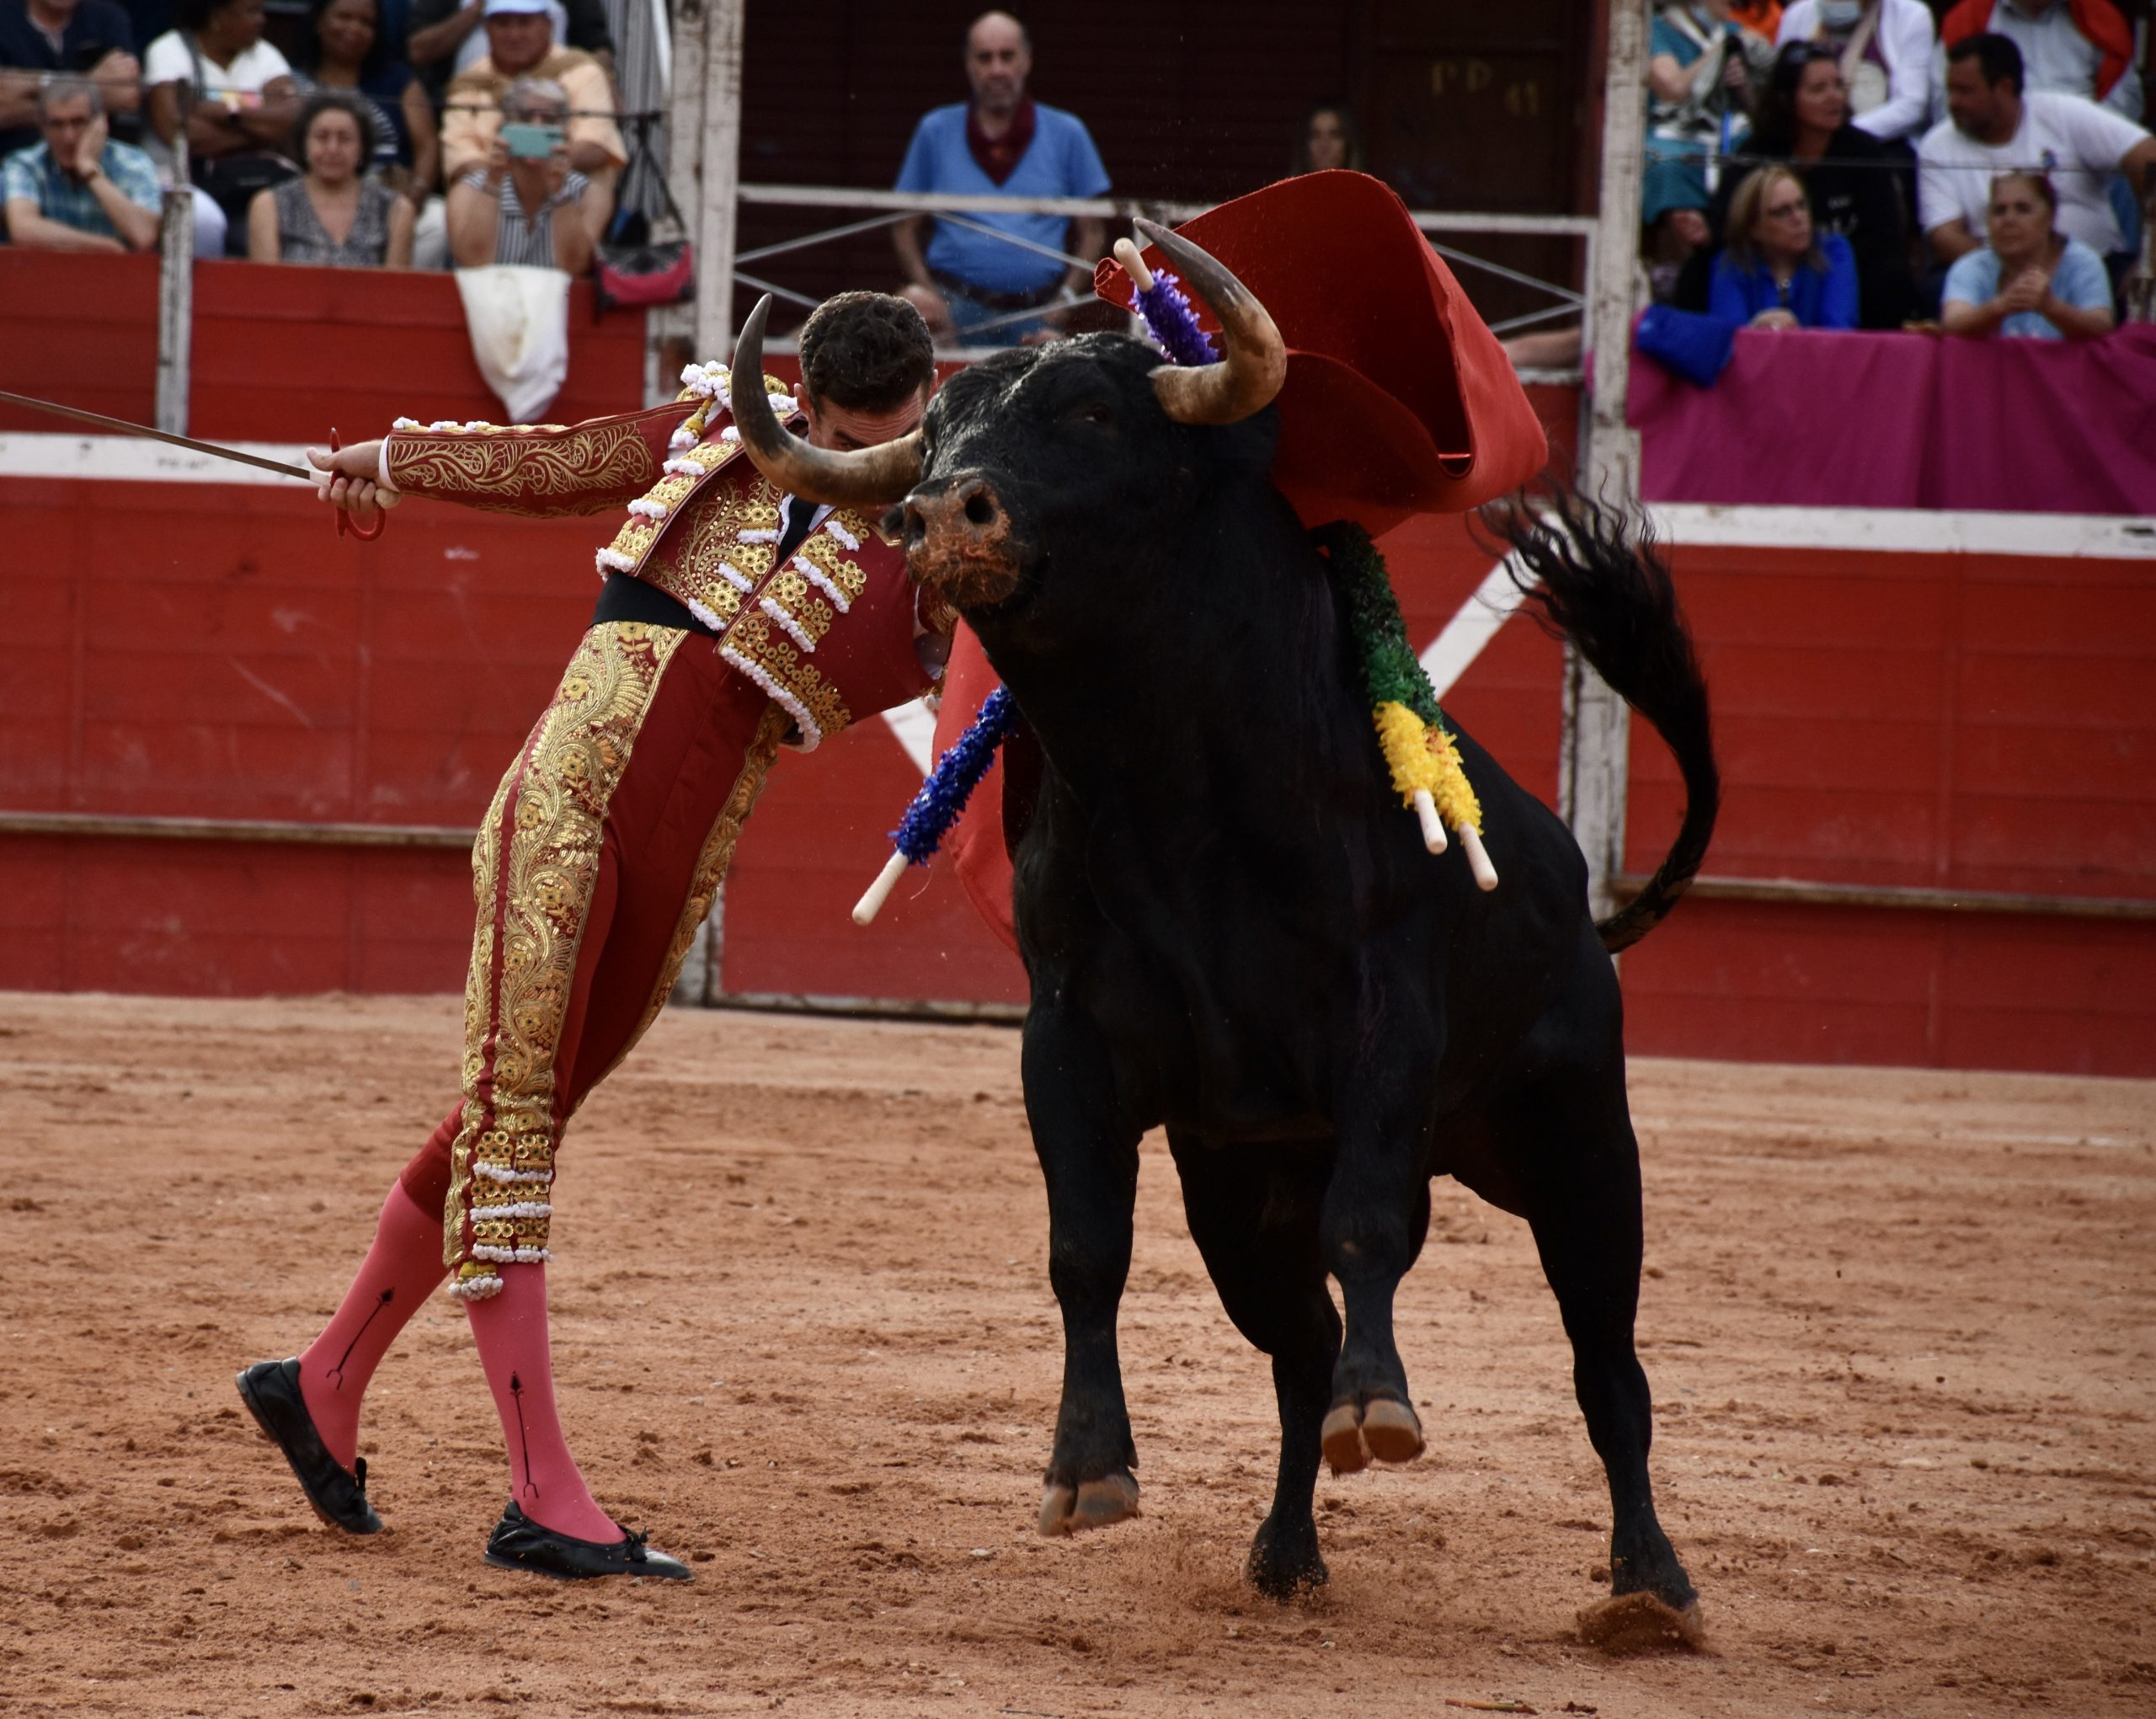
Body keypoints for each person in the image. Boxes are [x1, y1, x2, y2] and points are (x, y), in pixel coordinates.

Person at [240, 291, 956, 1580]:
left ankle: (322, 1380)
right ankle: (540, 1497)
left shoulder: (941, 523)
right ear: (804, 395)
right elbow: (553, 464)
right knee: (513, 1125)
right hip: (570, 793)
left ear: (923, 406)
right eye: (841, 435)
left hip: (687, 839)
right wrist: (386, 460)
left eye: (884, 441)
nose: (857, 464)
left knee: (520, 1112)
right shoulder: (717, 430)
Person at [893, 10, 1110, 346]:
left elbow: (1094, 230)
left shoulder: (1069, 133)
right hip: (953, 311)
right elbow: (903, 226)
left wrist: (1064, 302)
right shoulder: (934, 130)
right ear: (969, 65)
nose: (997, 69)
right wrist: (930, 297)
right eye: (985, 58)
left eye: (1007, 56)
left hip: (1038, 312)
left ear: (1027, 60)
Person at [1919, 33, 2155, 274]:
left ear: (2004, 87)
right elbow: (1944, 238)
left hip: (2092, 270)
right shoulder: (1936, 145)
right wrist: (2018, 273)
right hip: (1992, 277)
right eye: (1951, 91)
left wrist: (2149, 261)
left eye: (1965, 91)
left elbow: (2148, 155)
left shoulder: (2063, 113)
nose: (1953, 102)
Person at [1732, 40, 1913, 325]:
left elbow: (1885, 240)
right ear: (1786, 99)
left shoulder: (1863, 151)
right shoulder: (1757, 151)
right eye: (1818, 89)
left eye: (1838, 86)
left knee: (1889, 278)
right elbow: (1732, 226)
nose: (1835, 98)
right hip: (1774, 275)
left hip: (1849, 279)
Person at [1645, 1, 1775, 299]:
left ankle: (1748, 271)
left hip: (1726, 130)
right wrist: (1719, 51)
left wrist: (1742, 85)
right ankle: (1691, 273)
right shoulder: (1657, 30)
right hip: (1674, 131)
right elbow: (1673, 88)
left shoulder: (1736, 32)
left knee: (1761, 156)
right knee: (1669, 166)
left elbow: (1761, 108)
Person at [143, 0, 300, 242]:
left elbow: (290, 119)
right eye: (251, 11)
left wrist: (226, 113)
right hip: (185, 180)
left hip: (255, 182)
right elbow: (176, 131)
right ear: (217, 16)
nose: (262, 20)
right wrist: (258, 134)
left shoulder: (265, 53)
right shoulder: (169, 50)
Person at [445, 72, 599, 270]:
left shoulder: (589, 194)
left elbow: (574, 268)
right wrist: (492, 182)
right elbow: (474, 263)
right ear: (503, 127)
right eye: (526, 118)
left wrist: (560, 192)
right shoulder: (467, 191)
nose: (537, 126)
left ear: (566, 132)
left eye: (549, 121)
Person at [1941, 168, 2116, 338]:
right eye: (1999, 211)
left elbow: (2102, 327)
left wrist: (2050, 306)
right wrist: (2000, 306)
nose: (2009, 220)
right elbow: (1952, 325)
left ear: (2050, 216)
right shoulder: (1971, 266)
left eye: (2023, 209)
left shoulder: (2083, 262)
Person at [291, 0, 437, 199]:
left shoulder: (400, 81)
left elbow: (427, 146)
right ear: (319, 22)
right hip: (313, 194)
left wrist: (416, 195)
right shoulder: (292, 82)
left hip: (393, 194)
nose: (355, 28)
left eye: (366, 22)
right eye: (344, 17)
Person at [247, 88, 410, 264]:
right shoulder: (269, 205)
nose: (333, 149)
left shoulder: (395, 210)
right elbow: (266, 287)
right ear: (304, 144)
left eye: (345, 139)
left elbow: (395, 289)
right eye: (322, 137)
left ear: (362, 147)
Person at [2, 72, 159, 248]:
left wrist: (90, 171)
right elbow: (23, 230)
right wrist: (104, 247)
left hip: (120, 276)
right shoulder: (24, 165)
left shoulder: (131, 162)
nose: (68, 137)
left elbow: (145, 234)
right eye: (57, 124)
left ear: (100, 123)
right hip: (47, 274)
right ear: (42, 126)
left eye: (78, 122)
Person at [1936, 0, 2142, 121]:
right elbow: (1944, 105)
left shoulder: (2101, 18)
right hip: (1991, 146)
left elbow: (2123, 109)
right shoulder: (1967, 19)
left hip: (2083, 154)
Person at [1708, 163, 1860, 327]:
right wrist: (1755, 331)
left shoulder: (1833, 251)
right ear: (1754, 227)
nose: (1799, 218)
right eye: (1783, 211)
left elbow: (1839, 331)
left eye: (1801, 205)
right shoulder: (1730, 265)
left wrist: (1792, 339)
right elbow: (1728, 338)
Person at [1775, 0, 1936, 144]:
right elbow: (1779, 91)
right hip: (1805, 144)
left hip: (1882, 147)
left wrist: (1841, 135)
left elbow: (1911, 105)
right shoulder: (1796, 16)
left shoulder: (1911, 15)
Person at [0, 0, 141, 160]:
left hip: (99, 162)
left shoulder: (108, 17)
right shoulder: (4, 17)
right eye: (55, 123)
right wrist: (90, 84)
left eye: (77, 120)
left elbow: (127, 95)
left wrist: (34, 87)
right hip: (9, 163)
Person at [403, 0, 607, 108]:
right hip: (474, 100)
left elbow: (598, 48)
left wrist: (603, 85)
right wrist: (475, 11)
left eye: (524, 22)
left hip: (554, 108)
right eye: (503, 23)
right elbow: (416, 51)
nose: (514, 35)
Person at [1294, 99, 1361, 175]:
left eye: (1335, 135)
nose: (1324, 146)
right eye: (1316, 136)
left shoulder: (1368, 187)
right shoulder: (1288, 187)